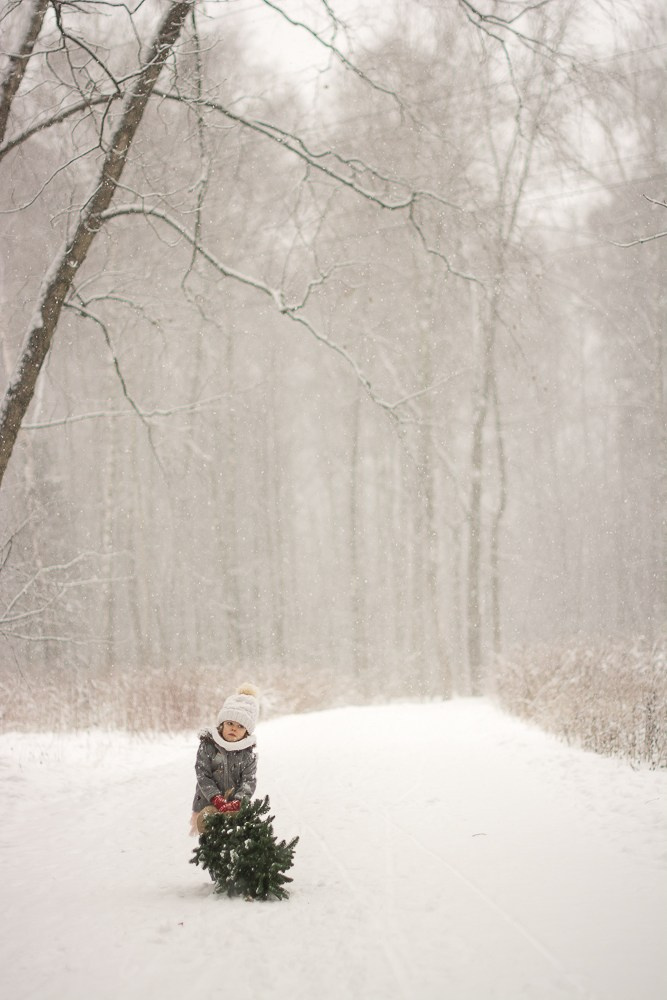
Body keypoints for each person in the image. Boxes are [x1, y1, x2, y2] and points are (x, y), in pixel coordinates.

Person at [190, 684, 258, 836]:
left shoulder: (248, 753)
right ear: (222, 724)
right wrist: (216, 797)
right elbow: (202, 774)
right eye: (230, 723)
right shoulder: (208, 745)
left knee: (233, 841)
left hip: (235, 807)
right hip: (207, 803)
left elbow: (249, 780)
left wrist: (239, 801)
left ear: (247, 732)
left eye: (240, 726)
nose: (234, 728)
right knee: (211, 844)